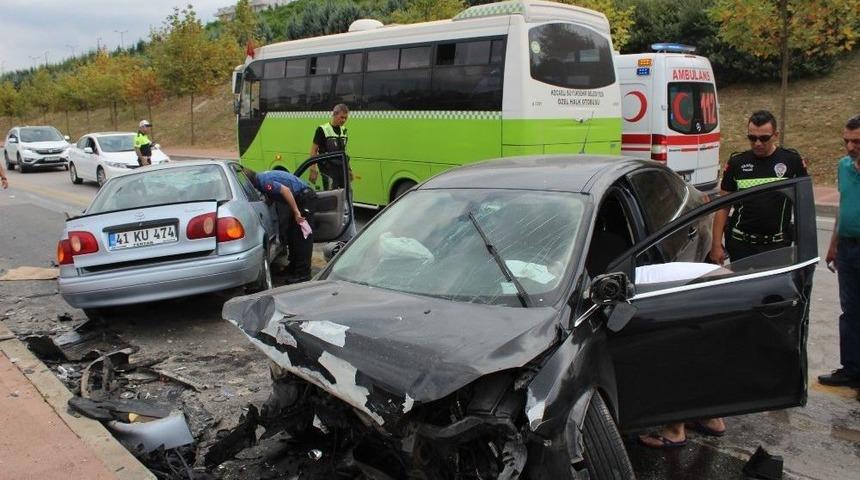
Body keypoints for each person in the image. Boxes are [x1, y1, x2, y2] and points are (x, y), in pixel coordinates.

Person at [634, 261, 729, 448]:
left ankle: (675, 431)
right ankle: (710, 418)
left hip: (711, 291)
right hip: (729, 289)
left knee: (680, 359)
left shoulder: (636, 284)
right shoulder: (640, 274)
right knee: (703, 358)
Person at [710, 110, 809, 264]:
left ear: (775, 135)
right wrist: (716, 245)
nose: (757, 143)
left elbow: (803, 205)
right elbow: (723, 207)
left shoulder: (792, 161)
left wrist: (804, 246)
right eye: (752, 138)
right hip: (740, 246)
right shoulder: (737, 163)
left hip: (777, 247)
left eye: (764, 138)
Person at [819, 114, 860, 388]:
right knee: (850, 309)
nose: (849, 147)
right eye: (846, 141)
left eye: (856, 141)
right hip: (847, 247)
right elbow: (843, 205)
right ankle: (851, 369)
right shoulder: (844, 167)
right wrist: (833, 245)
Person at [244, 168, 317, 284]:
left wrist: (296, 212)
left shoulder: (264, 183)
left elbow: (286, 191)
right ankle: (293, 268)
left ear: (250, 183)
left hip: (304, 198)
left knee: (302, 237)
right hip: (300, 198)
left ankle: (303, 274)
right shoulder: (261, 178)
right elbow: (273, 196)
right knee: (292, 235)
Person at [310, 104, 355, 257]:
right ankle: (330, 231)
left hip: (341, 168)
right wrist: (313, 168)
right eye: (342, 117)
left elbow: (344, 152)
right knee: (331, 199)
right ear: (334, 115)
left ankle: (345, 228)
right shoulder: (322, 129)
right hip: (327, 170)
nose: (344, 120)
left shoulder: (344, 131)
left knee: (346, 197)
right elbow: (314, 150)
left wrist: (349, 170)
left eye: (346, 118)